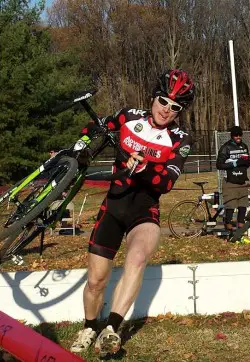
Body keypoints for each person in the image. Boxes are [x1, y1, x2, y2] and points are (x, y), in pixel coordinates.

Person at [70, 69, 195, 356]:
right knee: (96, 280)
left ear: (180, 112)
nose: (167, 109)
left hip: (145, 211)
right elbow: (97, 126)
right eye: (164, 100)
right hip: (113, 206)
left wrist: (145, 166)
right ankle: (89, 326)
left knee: (137, 258)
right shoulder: (129, 116)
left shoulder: (181, 139)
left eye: (175, 107)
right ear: (154, 97)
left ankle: (111, 329)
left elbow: (166, 183)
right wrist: (82, 145)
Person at [216, 125, 250, 232]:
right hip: (230, 182)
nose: (238, 137)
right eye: (236, 135)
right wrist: (235, 163)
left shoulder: (244, 146)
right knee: (230, 206)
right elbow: (219, 165)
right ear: (232, 136)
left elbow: (248, 162)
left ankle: (240, 229)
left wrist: (246, 162)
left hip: (242, 181)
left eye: (240, 135)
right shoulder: (226, 147)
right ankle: (229, 228)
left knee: (243, 205)